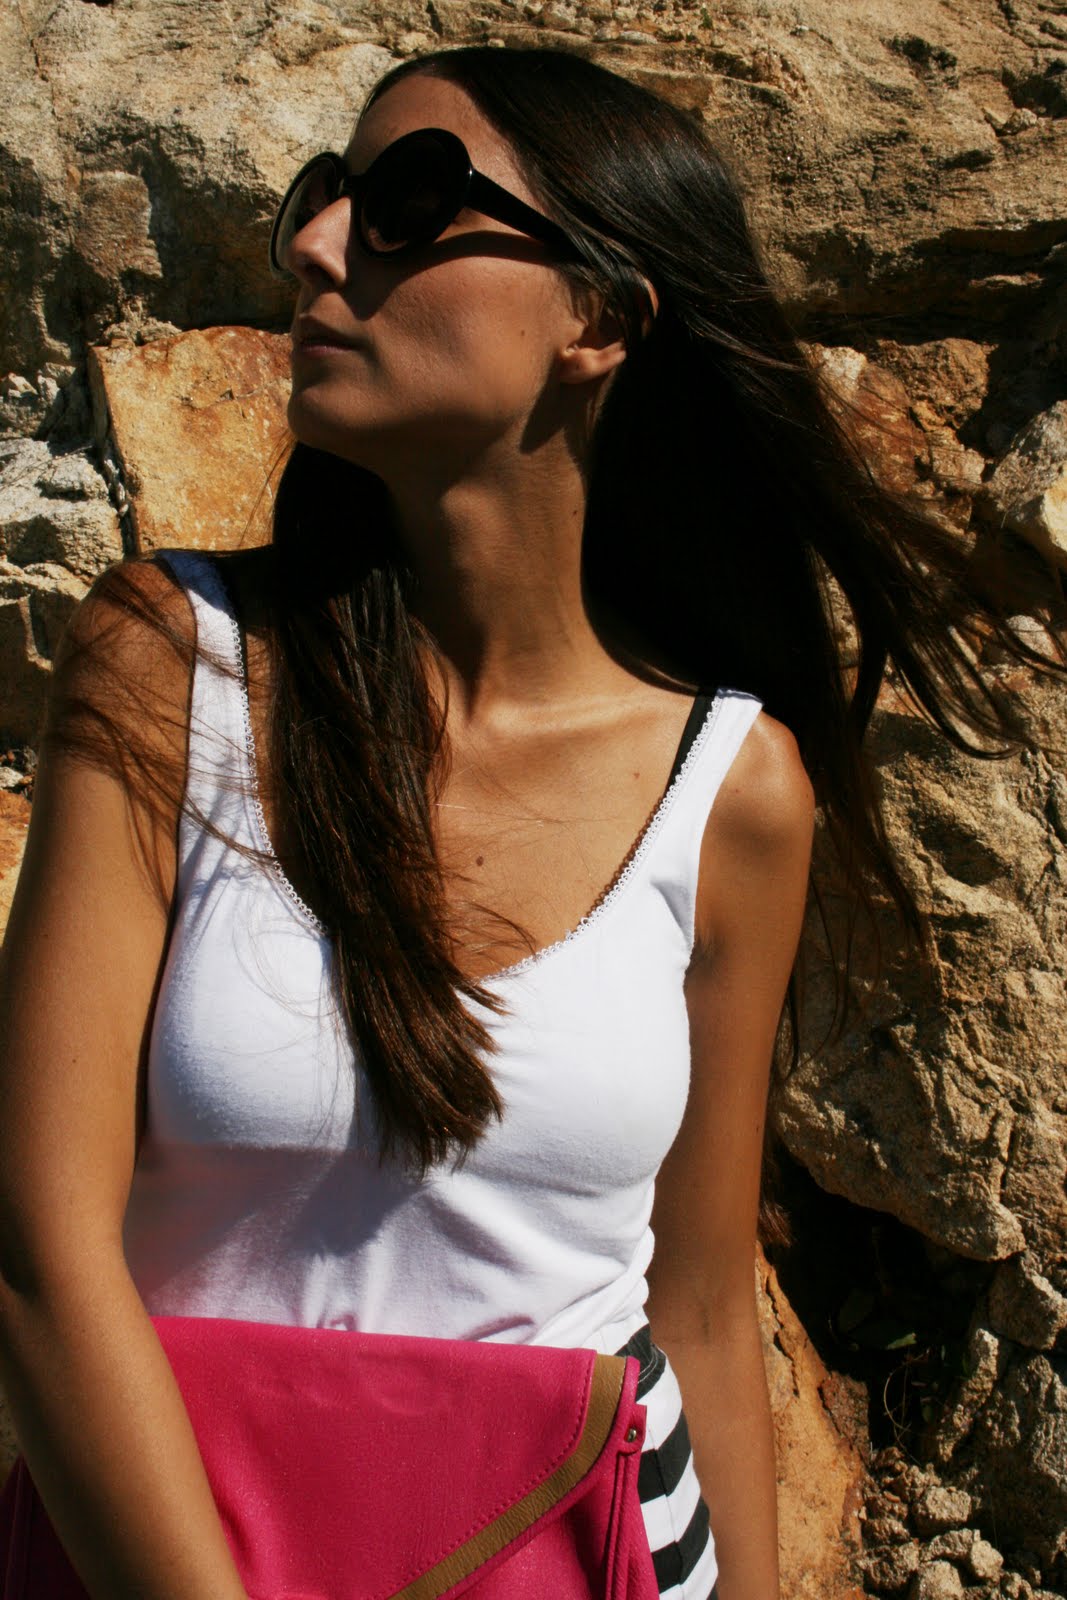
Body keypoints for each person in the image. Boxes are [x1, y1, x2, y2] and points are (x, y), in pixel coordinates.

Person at [0, 42, 1062, 1600]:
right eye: (325, 195)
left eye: (409, 202)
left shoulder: (733, 788)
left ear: (600, 320)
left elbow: (700, 1307)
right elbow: (38, 1248)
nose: (316, 244)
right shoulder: (173, 664)